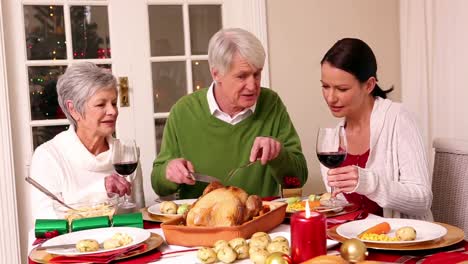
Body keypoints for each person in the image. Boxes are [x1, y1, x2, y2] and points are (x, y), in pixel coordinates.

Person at [151, 28, 308, 199]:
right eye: (242, 76)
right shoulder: (183, 111)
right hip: (201, 222)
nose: (252, 85)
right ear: (216, 74)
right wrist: (168, 172)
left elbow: (298, 179)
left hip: (260, 220)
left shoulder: (271, 104)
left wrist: (279, 155)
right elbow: (158, 185)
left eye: (257, 74)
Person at [319, 38, 433, 220]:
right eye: (325, 86)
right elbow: (341, 206)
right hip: (354, 241)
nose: (330, 98)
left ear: (369, 85)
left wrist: (370, 183)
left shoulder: (398, 119)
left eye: (341, 89)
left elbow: (423, 199)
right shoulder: (333, 140)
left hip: (402, 242)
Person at [29, 62, 144, 219]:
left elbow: (139, 215)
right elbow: (46, 222)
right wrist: (101, 191)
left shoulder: (126, 153)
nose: (113, 111)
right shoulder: (48, 157)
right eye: (101, 104)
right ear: (73, 109)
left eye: (114, 103)